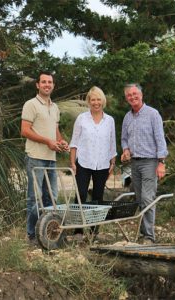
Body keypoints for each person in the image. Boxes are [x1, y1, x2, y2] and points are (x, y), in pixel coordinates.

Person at [21, 71, 69, 244]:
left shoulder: (54, 107)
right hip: (35, 157)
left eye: (50, 82)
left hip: (52, 158)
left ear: (53, 85)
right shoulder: (30, 104)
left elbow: (54, 131)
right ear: (37, 85)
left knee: (52, 198)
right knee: (35, 198)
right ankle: (32, 236)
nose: (47, 85)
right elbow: (25, 130)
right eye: (43, 82)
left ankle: (49, 235)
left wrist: (61, 141)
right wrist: (47, 141)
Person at [121, 83, 168, 244]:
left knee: (148, 198)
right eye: (129, 95)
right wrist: (125, 150)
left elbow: (160, 139)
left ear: (141, 94)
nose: (132, 97)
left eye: (135, 94)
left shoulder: (153, 114)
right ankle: (143, 233)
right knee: (140, 198)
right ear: (126, 98)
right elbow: (124, 139)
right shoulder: (127, 117)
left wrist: (161, 162)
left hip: (150, 162)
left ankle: (149, 237)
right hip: (134, 163)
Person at [70, 86, 117, 239]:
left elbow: (112, 144)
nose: (96, 102)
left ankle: (94, 231)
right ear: (89, 101)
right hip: (83, 162)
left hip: (103, 164)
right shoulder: (82, 119)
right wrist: (73, 163)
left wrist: (112, 163)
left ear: (102, 101)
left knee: (98, 197)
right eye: (93, 99)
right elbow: (74, 142)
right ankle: (78, 231)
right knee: (81, 194)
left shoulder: (109, 120)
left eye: (98, 99)